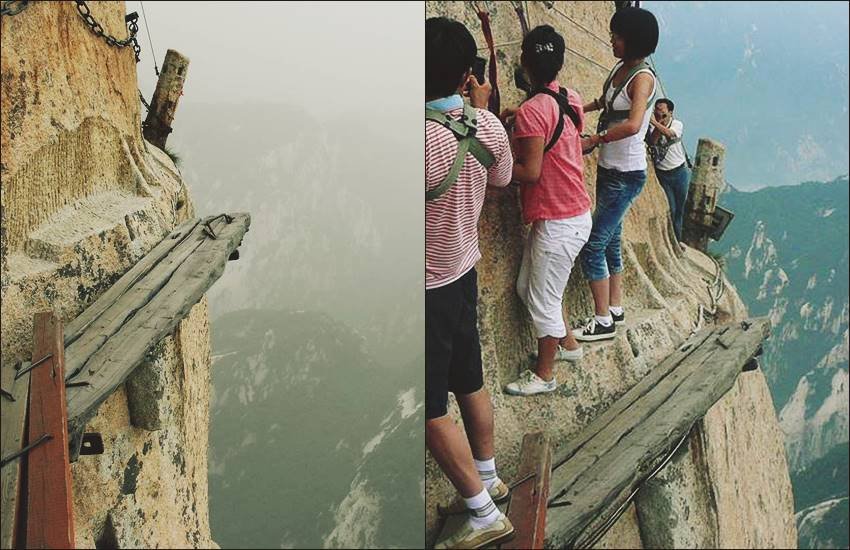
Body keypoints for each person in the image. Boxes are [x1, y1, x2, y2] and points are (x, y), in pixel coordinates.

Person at [425, 17, 515, 549]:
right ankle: (490, 476)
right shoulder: (487, 128)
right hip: (463, 270)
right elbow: (502, 178)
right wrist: (477, 108)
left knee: (429, 406)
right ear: (465, 76)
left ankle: (482, 514)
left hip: (425, 288)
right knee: (469, 379)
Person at [497, 25, 592, 397]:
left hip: (558, 221)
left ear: (524, 62)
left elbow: (530, 172)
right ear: (561, 62)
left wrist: (494, 169)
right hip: (570, 213)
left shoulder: (533, 112)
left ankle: (544, 374)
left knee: (543, 301)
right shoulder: (571, 98)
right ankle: (569, 345)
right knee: (528, 289)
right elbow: (562, 129)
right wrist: (523, 114)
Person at [575, 6, 659, 342]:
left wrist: (596, 139)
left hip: (627, 172)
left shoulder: (642, 78)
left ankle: (603, 320)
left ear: (634, 40)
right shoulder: (621, 69)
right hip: (612, 169)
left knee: (594, 245)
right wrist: (575, 108)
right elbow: (605, 102)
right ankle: (616, 307)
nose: (612, 40)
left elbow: (634, 123)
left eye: (618, 36)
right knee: (612, 240)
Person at [647, 98, 690, 243]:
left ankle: (677, 241)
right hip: (663, 175)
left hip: (679, 173)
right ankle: (670, 241)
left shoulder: (677, 124)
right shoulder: (653, 127)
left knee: (679, 210)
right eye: (657, 112)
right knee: (671, 209)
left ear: (670, 112)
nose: (659, 115)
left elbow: (670, 134)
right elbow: (652, 141)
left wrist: (655, 122)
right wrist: (658, 124)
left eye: (663, 113)